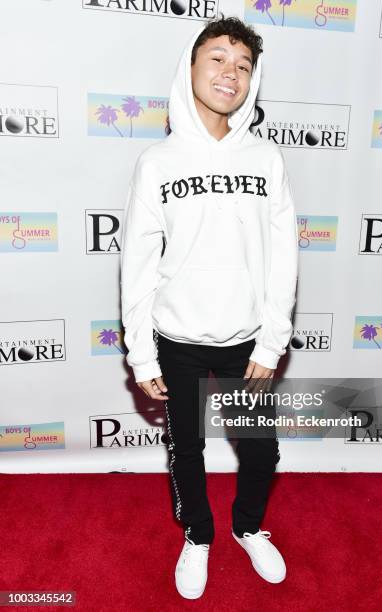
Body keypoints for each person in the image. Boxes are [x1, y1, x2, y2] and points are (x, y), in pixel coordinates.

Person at [120, 13, 299, 600]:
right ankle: (198, 536)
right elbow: (139, 265)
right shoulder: (159, 162)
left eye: (244, 65)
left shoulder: (266, 159)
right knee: (186, 448)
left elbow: (283, 258)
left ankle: (247, 527)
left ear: (253, 81)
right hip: (176, 339)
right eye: (218, 58)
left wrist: (272, 342)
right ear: (190, 67)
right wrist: (141, 355)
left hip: (247, 341)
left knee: (260, 448)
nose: (231, 72)